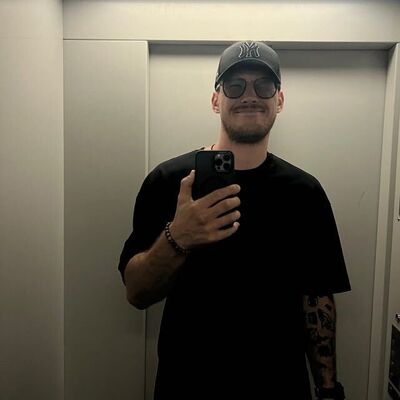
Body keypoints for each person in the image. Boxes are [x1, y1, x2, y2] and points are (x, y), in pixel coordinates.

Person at [118, 41, 351, 400]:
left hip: (279, 385)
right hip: (187, 385)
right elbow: (136, 292)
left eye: (264, 85)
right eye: (235, 85)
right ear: (216, 100)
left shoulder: (305, 193)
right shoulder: (169, 181)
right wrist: (177, 237)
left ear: (279, 100)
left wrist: (329, 389)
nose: (250, 95)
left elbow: (317, 299)